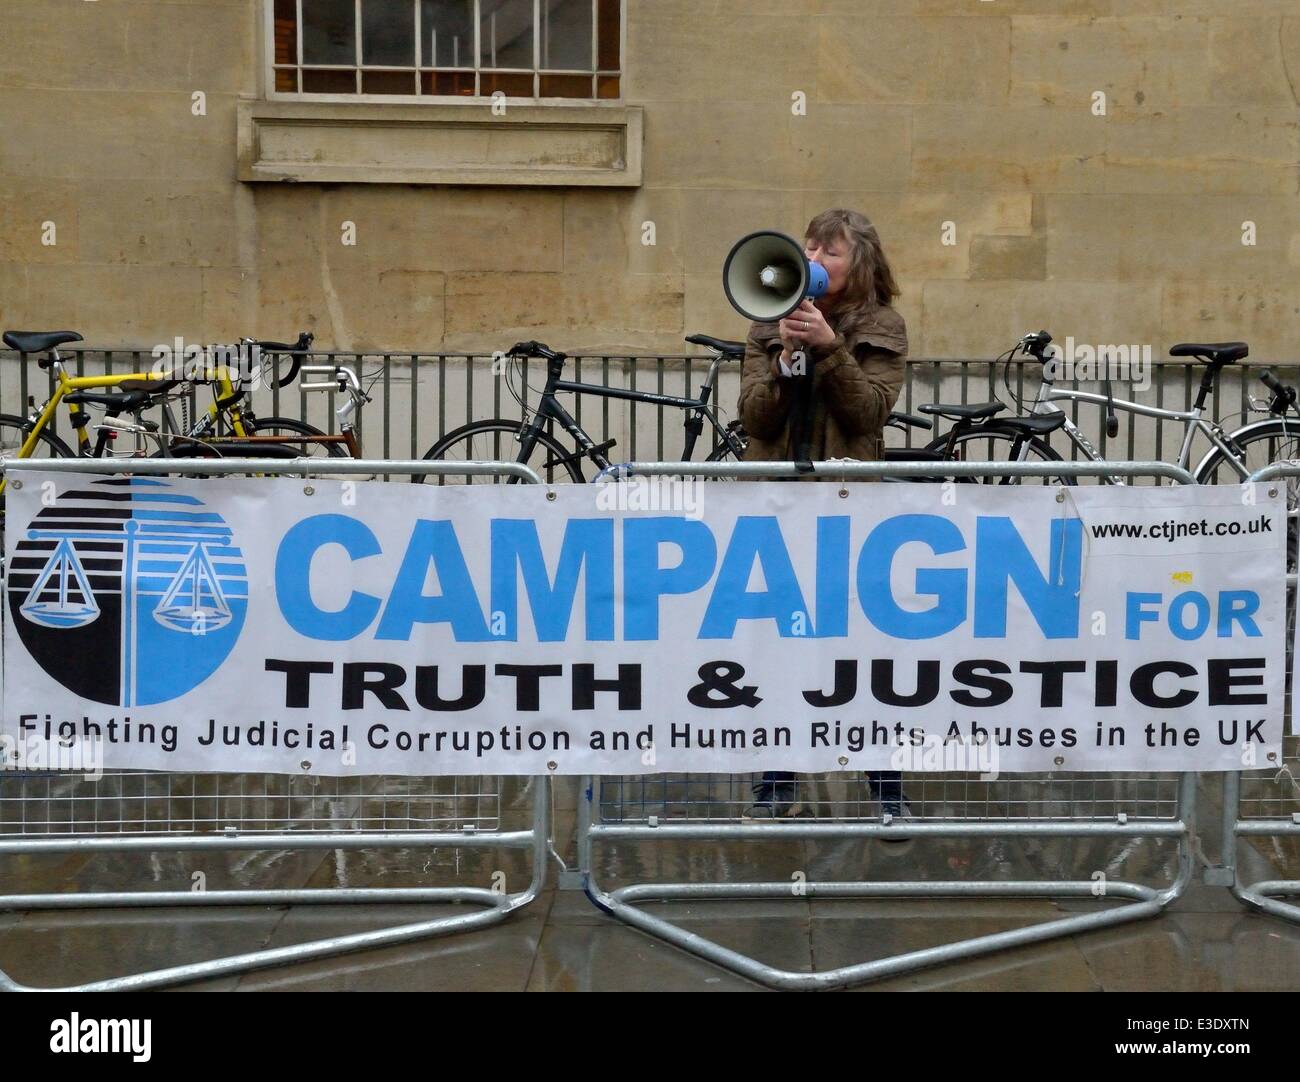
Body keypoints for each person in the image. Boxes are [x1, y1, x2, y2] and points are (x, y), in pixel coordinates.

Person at [736, 208, 909, 826]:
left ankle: (887, 790)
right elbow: (756, 420)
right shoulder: (767, 322)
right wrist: (785, 362)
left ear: (858, 263)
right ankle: (776, 781)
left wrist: (831, 352)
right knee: (778, 646)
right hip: (778, 508)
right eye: (809, 245)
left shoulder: (882, 326)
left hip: (846, 510)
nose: (813, 256)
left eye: (829, 250)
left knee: (861, 650)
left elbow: (868, 414)